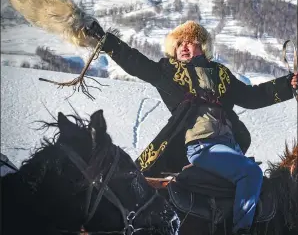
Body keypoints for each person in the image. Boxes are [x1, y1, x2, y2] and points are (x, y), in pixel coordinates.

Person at [87, 20, 297, 235]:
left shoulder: (220, 73)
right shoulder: (168, 71)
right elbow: (137, 63)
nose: (184, 46)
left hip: (231, 147)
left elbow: (252, 97)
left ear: (203, 46)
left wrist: (288, 85)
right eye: (179, 44)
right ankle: (241, 230)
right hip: (202, 146)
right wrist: (106, 41)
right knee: (252, 174)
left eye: (191, 41)